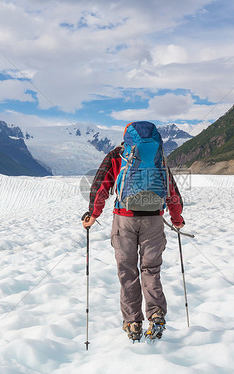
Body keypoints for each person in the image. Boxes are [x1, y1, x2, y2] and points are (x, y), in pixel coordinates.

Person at [82, 121, 185, 341]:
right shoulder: (158, 156)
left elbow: (101, 186)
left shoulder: (117, 155)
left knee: (128, 272)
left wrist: (93, 214)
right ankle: (156, 312)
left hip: (124, 220)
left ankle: (133, 323)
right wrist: (177, 218)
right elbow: (170, 189)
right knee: (151, 269)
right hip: (154, 220)